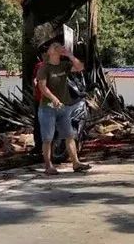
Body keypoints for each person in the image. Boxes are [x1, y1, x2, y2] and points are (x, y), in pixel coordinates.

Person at [36, 42, 92, 175]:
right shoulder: (44, 68)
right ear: (49, 52)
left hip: (63, 108)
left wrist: (70, 55)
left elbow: (80, 67)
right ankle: (48, 166)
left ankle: (76, 163)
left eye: (58, 46)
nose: (57, 47)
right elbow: (42, 87)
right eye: (53, 46)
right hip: (47, 108)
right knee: (48, 138)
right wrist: (54, 99)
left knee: (69, 135)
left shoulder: (64, 65)